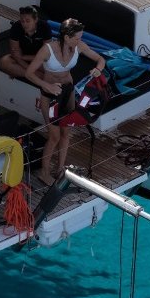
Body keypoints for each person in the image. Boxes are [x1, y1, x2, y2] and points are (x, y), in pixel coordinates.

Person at [25, 18, 100, 183]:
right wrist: (47, 86)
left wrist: (98, 70)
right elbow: (29, 73)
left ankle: (60, 169)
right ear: (66, 37)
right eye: (77, 38)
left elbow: (100, 59)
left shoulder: (79, 46)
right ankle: (44, 173)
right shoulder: (47, 50)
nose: (80, 41)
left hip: (68, 92)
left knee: (66, 133)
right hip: (49, 95)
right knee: (54, 136)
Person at [0, 5, 48, 79]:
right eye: (22, 21)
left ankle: (31, 75)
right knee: (4, 62)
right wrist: (30, 70)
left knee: (53, 70)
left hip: (39, 59)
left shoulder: (44, 27)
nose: (24, 24)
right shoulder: (16, 27)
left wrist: (23, 57)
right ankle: (37, 76)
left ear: (35, 20)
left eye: (28, 21)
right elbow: (15, 54)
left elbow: (46, 56)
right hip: (21, 60)